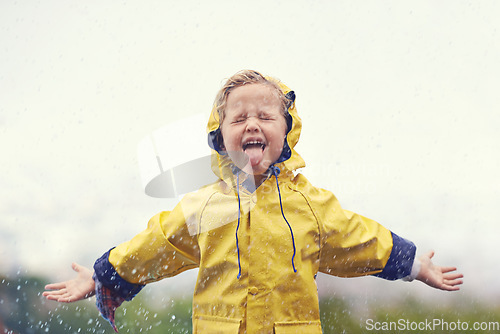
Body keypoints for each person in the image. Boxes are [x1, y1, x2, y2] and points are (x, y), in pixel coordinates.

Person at [43, 70, 463, 333]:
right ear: (220, 137)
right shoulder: (206, 207)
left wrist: (416, 265)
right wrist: (102, 276)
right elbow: (155, 243)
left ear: (287, 130)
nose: (252, 124)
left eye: (265, 116)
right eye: (239, 118)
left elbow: (360, 237)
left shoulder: (311, 205)